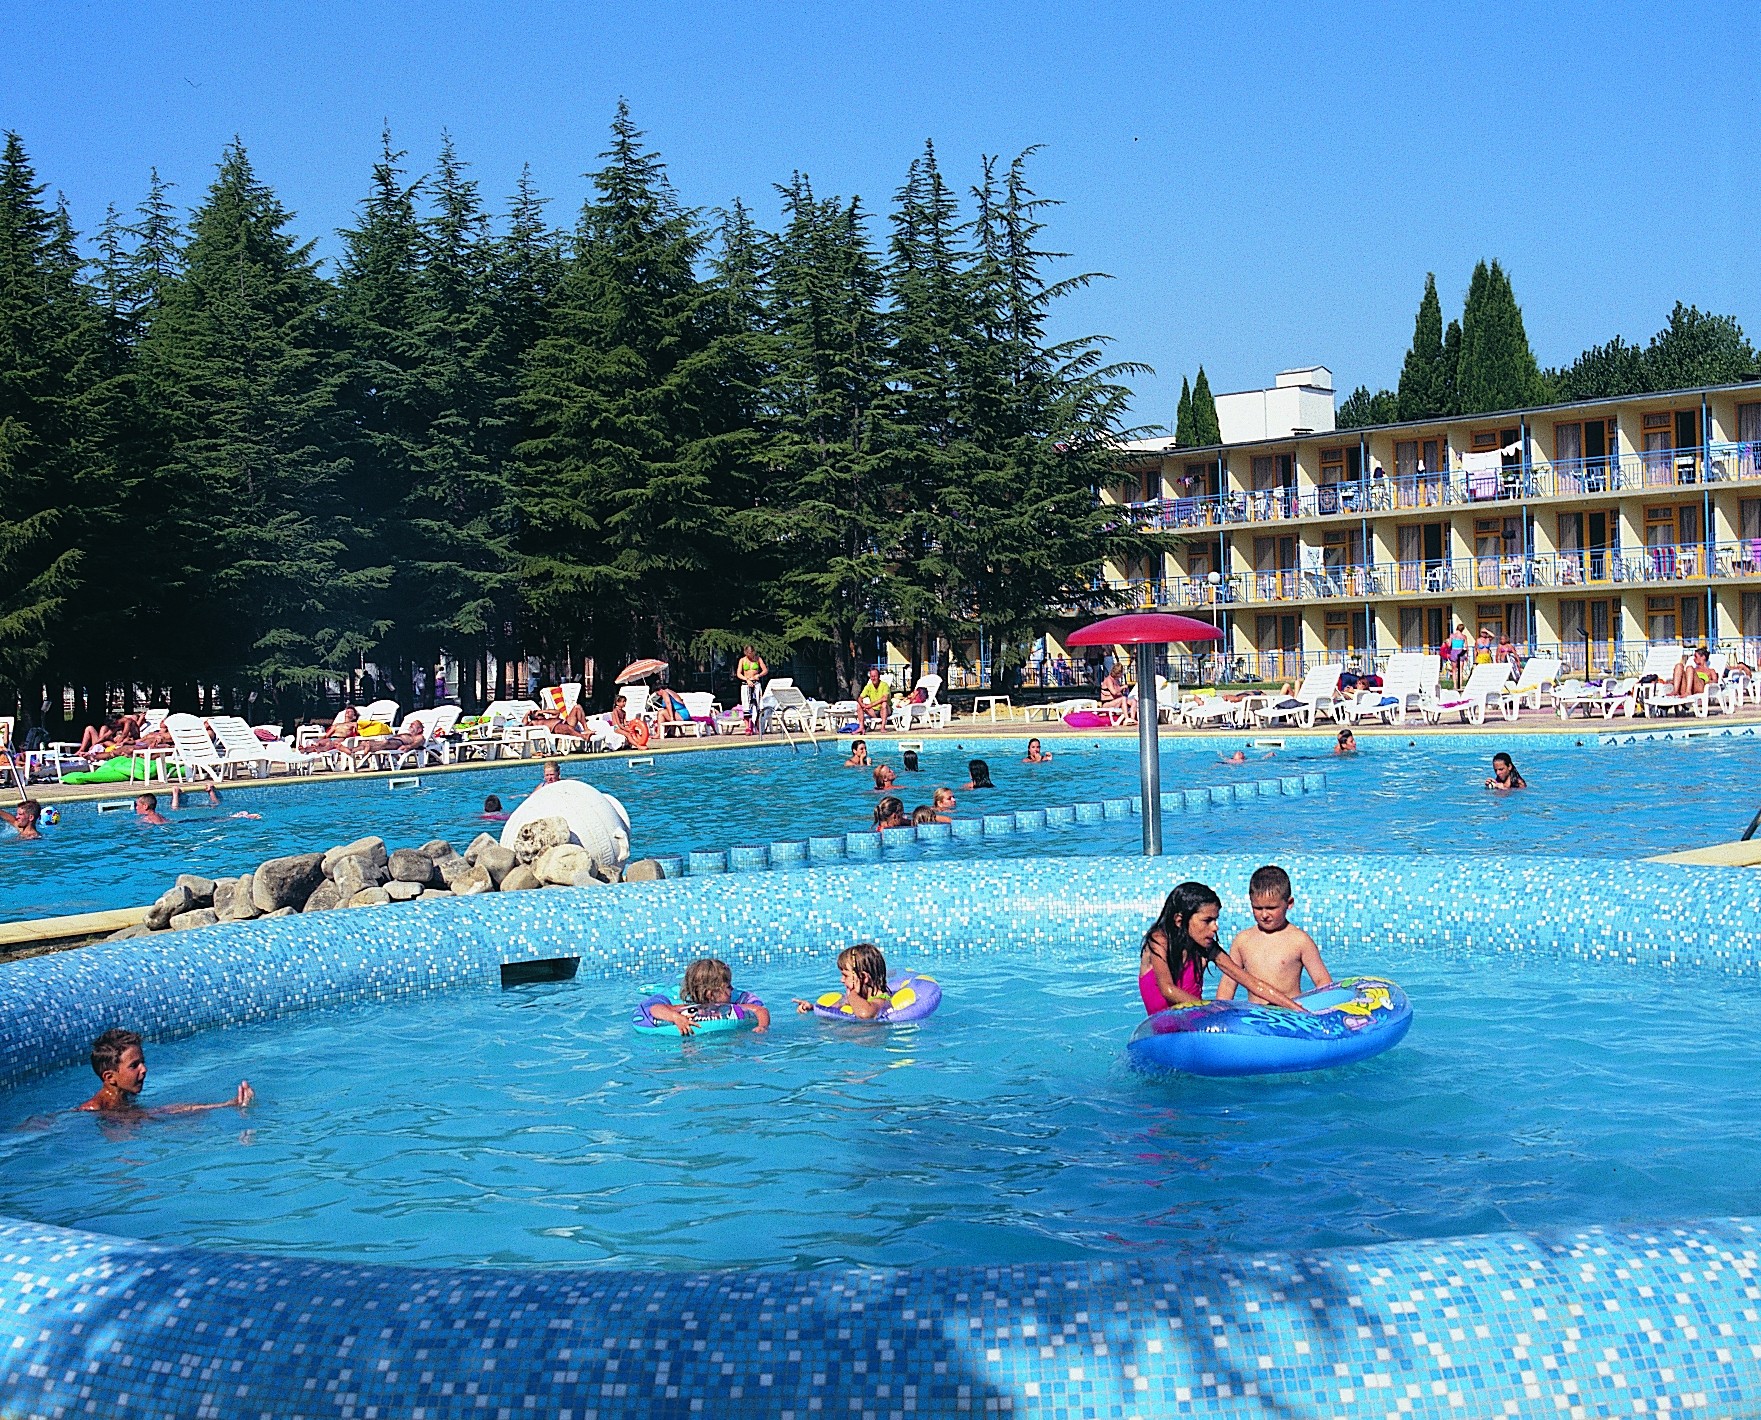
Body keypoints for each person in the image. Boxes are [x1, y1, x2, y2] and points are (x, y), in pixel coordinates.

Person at [1138, 881, 1304, 1013]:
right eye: (1207, 921)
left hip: (1195, 1024)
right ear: (1179, 921)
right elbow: (1167, 989)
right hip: (1165, 1030)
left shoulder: (1205, 948)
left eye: (1215, 920)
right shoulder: (1159, 941)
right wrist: (1211, 1009)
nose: (1215, 927)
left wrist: (1296, 1009)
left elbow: (1252, 983)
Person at [1215, 865, 1333, 1007]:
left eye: (1271, 908)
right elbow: (1228, 983)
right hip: (1255, 1014)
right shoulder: (1242, 940)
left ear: (1289, 903)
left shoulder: (1299, 941)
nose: (1264, 914)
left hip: (1288, 1013)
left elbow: (1323, 982)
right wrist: (1219, 1010)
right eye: (1258, 908)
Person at [77, 1028, 254, 1114]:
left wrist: (227, 1104)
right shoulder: (95, 1110)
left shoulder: (124, 1097)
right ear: (110, 1077)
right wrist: (226, 1105)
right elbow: (159, 1114)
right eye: (134, 1065)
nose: (144, 1069)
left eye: (143, 1062)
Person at [644, 958, 771, 1037]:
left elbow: (760, 1010)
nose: (733, 990)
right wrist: (676, 1018)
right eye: (728, 987)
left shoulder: (734, 1007)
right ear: (711, 994)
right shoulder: (689, 1008)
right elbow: (655, 1009)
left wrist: (762, 1026)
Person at [794, 942, 892, 1019]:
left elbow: (865, 1014)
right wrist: (812, 1008)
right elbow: (831, 1011)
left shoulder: (881, 1000)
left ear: (863, 977)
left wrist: (853, 994)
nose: (841, 980)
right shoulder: (855, 997)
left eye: (845, 975)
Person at [736, 645, 769, 732]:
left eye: (751, 653)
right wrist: (746, 679)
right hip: (746, 683)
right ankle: (748, 727)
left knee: (758, 704)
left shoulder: (758, 659)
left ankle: (757, 725)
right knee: (746, 705)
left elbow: (765, 670)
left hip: (756, 683)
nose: (749, 655)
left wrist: (759, 675)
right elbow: (739, 673)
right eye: (748, 653)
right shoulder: (742, 660)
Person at [857, 667, 892, 733]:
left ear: (879, 677)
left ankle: (883, 727)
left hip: (885, 710)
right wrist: (862, 705)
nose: (873, 678)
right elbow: (859, 698)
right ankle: (861, 727)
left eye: (875, 676)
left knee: (884, 703)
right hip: (874, 711)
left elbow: (884, 698)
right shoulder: (869, 686)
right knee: (859, 705)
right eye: (872, 676)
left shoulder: (884, 685)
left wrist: (870, 705)